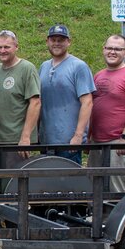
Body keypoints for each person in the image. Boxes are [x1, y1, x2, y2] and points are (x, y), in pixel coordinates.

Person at [0, 30, 41, 194]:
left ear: (16, 47)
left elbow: (35, 102)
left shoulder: (26, 68)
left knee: (12, 192)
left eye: (7, 47)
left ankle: (13, 221)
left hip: (15, 143)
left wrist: (25, 137)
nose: (2, 51)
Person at [90, 35, 125, 195]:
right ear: (103, 50)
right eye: (109, 48)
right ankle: (97, 219)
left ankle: (120, 220)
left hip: (118, 142)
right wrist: (90, 135)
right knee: (94, 186)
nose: (112, 52)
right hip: (96, 142)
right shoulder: (98, 75)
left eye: (117, 49)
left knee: (117, 189)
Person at [37, 24, 95, 163]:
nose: (57, 43)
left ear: (68, 42)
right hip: (46, 141)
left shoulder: (78, 66)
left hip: (69, 143)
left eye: (61, 40)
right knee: (46, 183)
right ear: (47, 42)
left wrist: (78, 135)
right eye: (53, 39)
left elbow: (87, 102)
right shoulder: (44, 66)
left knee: (69, 183)